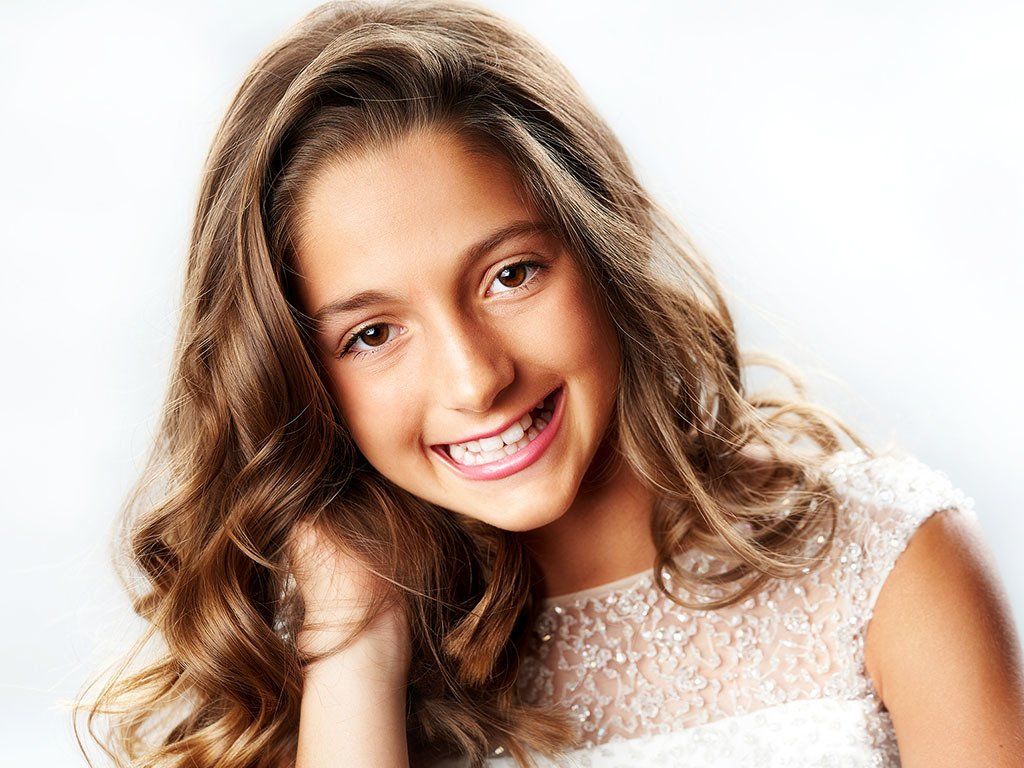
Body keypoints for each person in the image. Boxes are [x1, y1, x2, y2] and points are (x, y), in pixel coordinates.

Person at [73, 1, 1024, 766]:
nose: (475, 378)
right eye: (372, 334)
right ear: (299, 379)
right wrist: (357, 650)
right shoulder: (318, 674)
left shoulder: (885, 567)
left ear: (602, 240)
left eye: (511, 275)